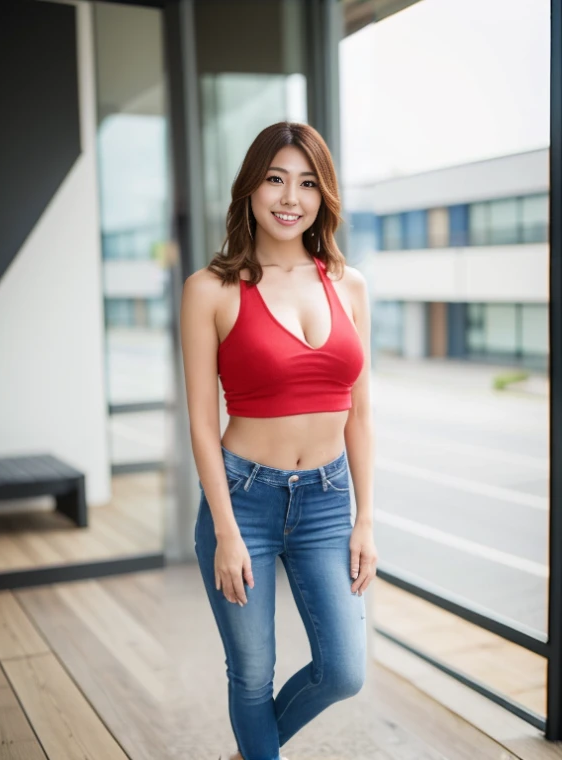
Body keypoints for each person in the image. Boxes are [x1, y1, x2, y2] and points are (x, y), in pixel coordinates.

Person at [180, 121, 377, 760]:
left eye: (308, 183)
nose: (290, 197)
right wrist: (228, 530)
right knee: (253, 673)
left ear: (323, 197)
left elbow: (361, 415)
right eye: (275, 179)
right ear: (250, 188)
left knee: (344, 669)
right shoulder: (209, 289)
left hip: (326, 500)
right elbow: (203, 425)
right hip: (245, 501)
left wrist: (365, 518)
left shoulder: (348, 285)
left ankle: (248, 752)